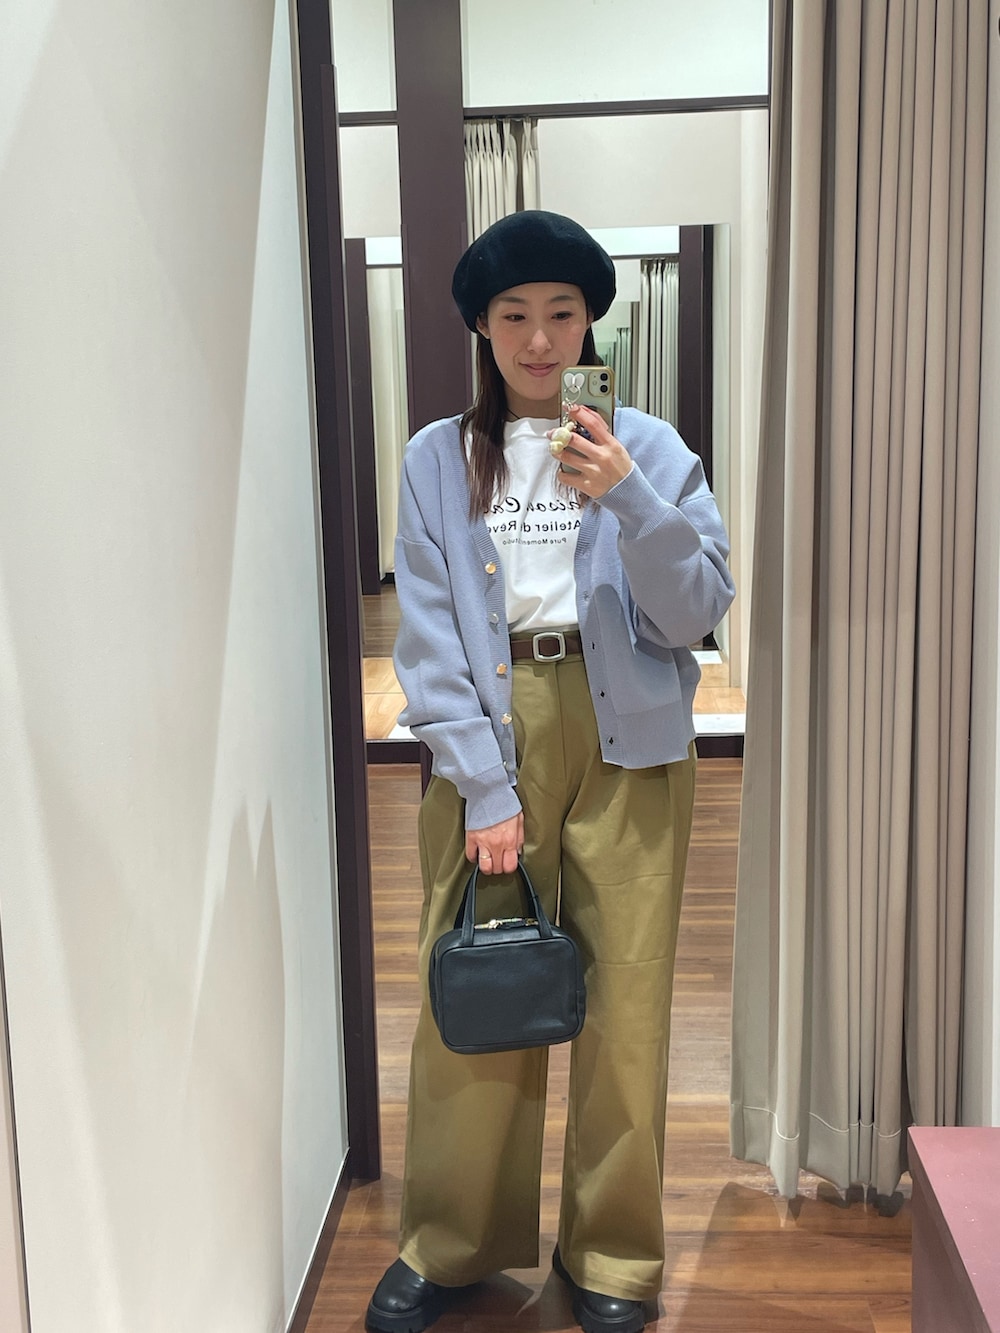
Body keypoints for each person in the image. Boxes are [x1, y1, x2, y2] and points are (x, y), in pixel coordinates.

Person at [365, 211, 735, 1333]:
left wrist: (629, 495)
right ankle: (450, 1240)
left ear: (590, 325)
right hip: (493, 722)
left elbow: (698, 610)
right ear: (482, 326)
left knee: (628, 999)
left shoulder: (652, 448)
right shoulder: (437, 456)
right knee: (477, 988)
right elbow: (429, 631)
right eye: (514, 314)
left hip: (631, 730)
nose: (538, 339)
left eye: (561, 314)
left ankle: (612, 1253)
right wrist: (484, 787)